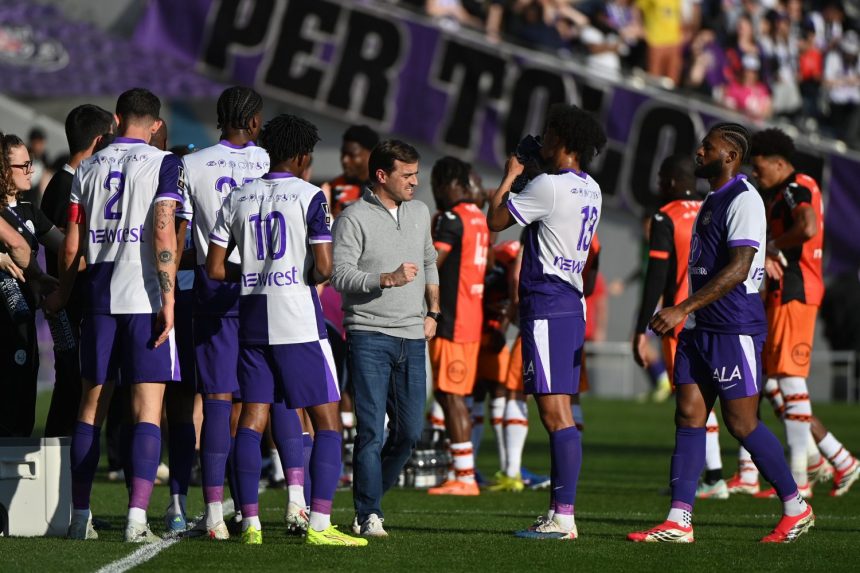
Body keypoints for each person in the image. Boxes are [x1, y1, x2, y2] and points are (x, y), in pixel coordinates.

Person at [628, 123, 814, 544]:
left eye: (707, 147)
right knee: (689, 414)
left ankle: (795, 506)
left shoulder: (744, 197)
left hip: (733, 326)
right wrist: (688, 315)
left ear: (730, 155)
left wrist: (681, 308)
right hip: (700, 327)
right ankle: (679, 521)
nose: (698, 151)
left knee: (742, 423)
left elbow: (741, 265)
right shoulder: (712, 197)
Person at [206, 113, 366, 547]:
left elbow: (215, 268)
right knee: (328, 421)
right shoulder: (311, 196)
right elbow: (326, 268)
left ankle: (252, 525)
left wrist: (258, 273)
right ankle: (319, 524)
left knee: (253, 420)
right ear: (300, 156)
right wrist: (297, 273)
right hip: (297, 317)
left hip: (253, 318)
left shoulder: (238, 196)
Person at [45, 88, 184, 543]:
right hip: (143, 294)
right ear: (156, 125)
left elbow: (72, 244)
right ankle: (135, 520)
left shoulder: (88, 167)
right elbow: (163, 229)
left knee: (91, 408)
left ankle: (79, 516)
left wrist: (64, 293)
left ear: (118, 119)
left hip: (100, 295)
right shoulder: (163, 163)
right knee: (147, 409)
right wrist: (169, 300)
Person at [487, 103, 607, 540]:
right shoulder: (589, 187)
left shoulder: (548, 185)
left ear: (564, 141)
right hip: (569, 303)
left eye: (549, 133)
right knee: (560, 412)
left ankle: (564, 517)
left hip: (547, 302)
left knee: (555, 414)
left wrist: (512, 171)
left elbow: (495, 219)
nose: (544, 138)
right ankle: (560, 512)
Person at [729, 128, 859, 498]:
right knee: (771, 381)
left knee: (787, 380)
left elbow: (809, 226)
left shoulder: (794, 187)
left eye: (760, 167)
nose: (756, 174)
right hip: (786, 292)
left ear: (779, 163)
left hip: (795, 291)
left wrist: (772, 246)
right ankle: (831, 459)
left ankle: (800, 477)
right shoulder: (784, 191)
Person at [176, 86, 274, 539]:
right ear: (253, 120)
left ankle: (214, 515)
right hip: (264, 295)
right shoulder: (270, 161)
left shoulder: (190, 164)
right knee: (264, 403)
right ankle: (282, 508)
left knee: (215, 402)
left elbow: (177, 235)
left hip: (211, 291)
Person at [331, 139, 440, 537]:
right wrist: (385, 279)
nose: (416, 181)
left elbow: (429, 261)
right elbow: (339, 275)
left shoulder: (420, 211)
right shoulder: (352, 218)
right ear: (382, 176)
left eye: (416, 173)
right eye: (407, 175)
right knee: (371, 430)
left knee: (410, 432)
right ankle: (367, 512)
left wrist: (434, 312)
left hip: (412, 336)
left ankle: (372, 497)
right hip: (368, 334)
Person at [629, 154, 721, 499]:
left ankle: (713, 477)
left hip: (681, 322)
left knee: (691, 401)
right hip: (719, 316)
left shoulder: (664, 217)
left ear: (669, 182)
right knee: (736, 403)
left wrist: (641, 329)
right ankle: (737, 474)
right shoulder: (714, 208)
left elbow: (656, 279)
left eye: (660, 177)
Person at [40, 105, 116, 438]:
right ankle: (56, 471)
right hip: (68, 306)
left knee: (80, 386)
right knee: (70, 386)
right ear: (100, 140)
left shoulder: (81, 183)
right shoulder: (63, 187)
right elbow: (67, 253)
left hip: (79, 304)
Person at [425, 157, 489, 496]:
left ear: (455, 186)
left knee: (451, 396)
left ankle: (464, 476)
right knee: (453, 395)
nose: (436, 192)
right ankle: (460, 470)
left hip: (452, 319)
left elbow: (433, 264)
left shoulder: (452, 218)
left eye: (440, 184)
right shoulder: (478, 217)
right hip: (471, 316)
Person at [0, 134, 62, 437]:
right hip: (7, 315)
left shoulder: (29, 211)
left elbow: (65, 246)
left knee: (25, 384)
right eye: (23, 165)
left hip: (25, 314)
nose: (30, 171)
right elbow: (18, 250)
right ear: (3, 169)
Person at [326, 125, 379, 217]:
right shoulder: (332, 188)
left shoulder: (385, 188)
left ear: (371, 154)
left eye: (352, 155)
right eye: (343, 154)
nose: (345, 160)